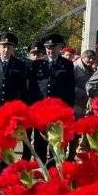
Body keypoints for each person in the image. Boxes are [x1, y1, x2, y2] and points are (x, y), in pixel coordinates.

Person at [27, 34, 76, 162]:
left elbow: (70, 88)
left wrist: (68, 109)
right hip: (41, 109)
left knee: (56, 142)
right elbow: (32, 87)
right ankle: (42, 169)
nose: (50, 50)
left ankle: (54, 170)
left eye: (53, 47)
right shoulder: (37, 64)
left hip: (58, 110)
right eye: (48, 47)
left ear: (60, 47)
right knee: (40, 141)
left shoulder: (67, 64)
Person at [73, 49, 98, 119]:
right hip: (74, 104)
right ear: (82, 57)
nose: (91, 60)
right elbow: (69, 85)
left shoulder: (92, 70)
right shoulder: (75, 68)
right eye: (89, 58)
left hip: (84, 107)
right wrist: (85, 92)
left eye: (93, 59)